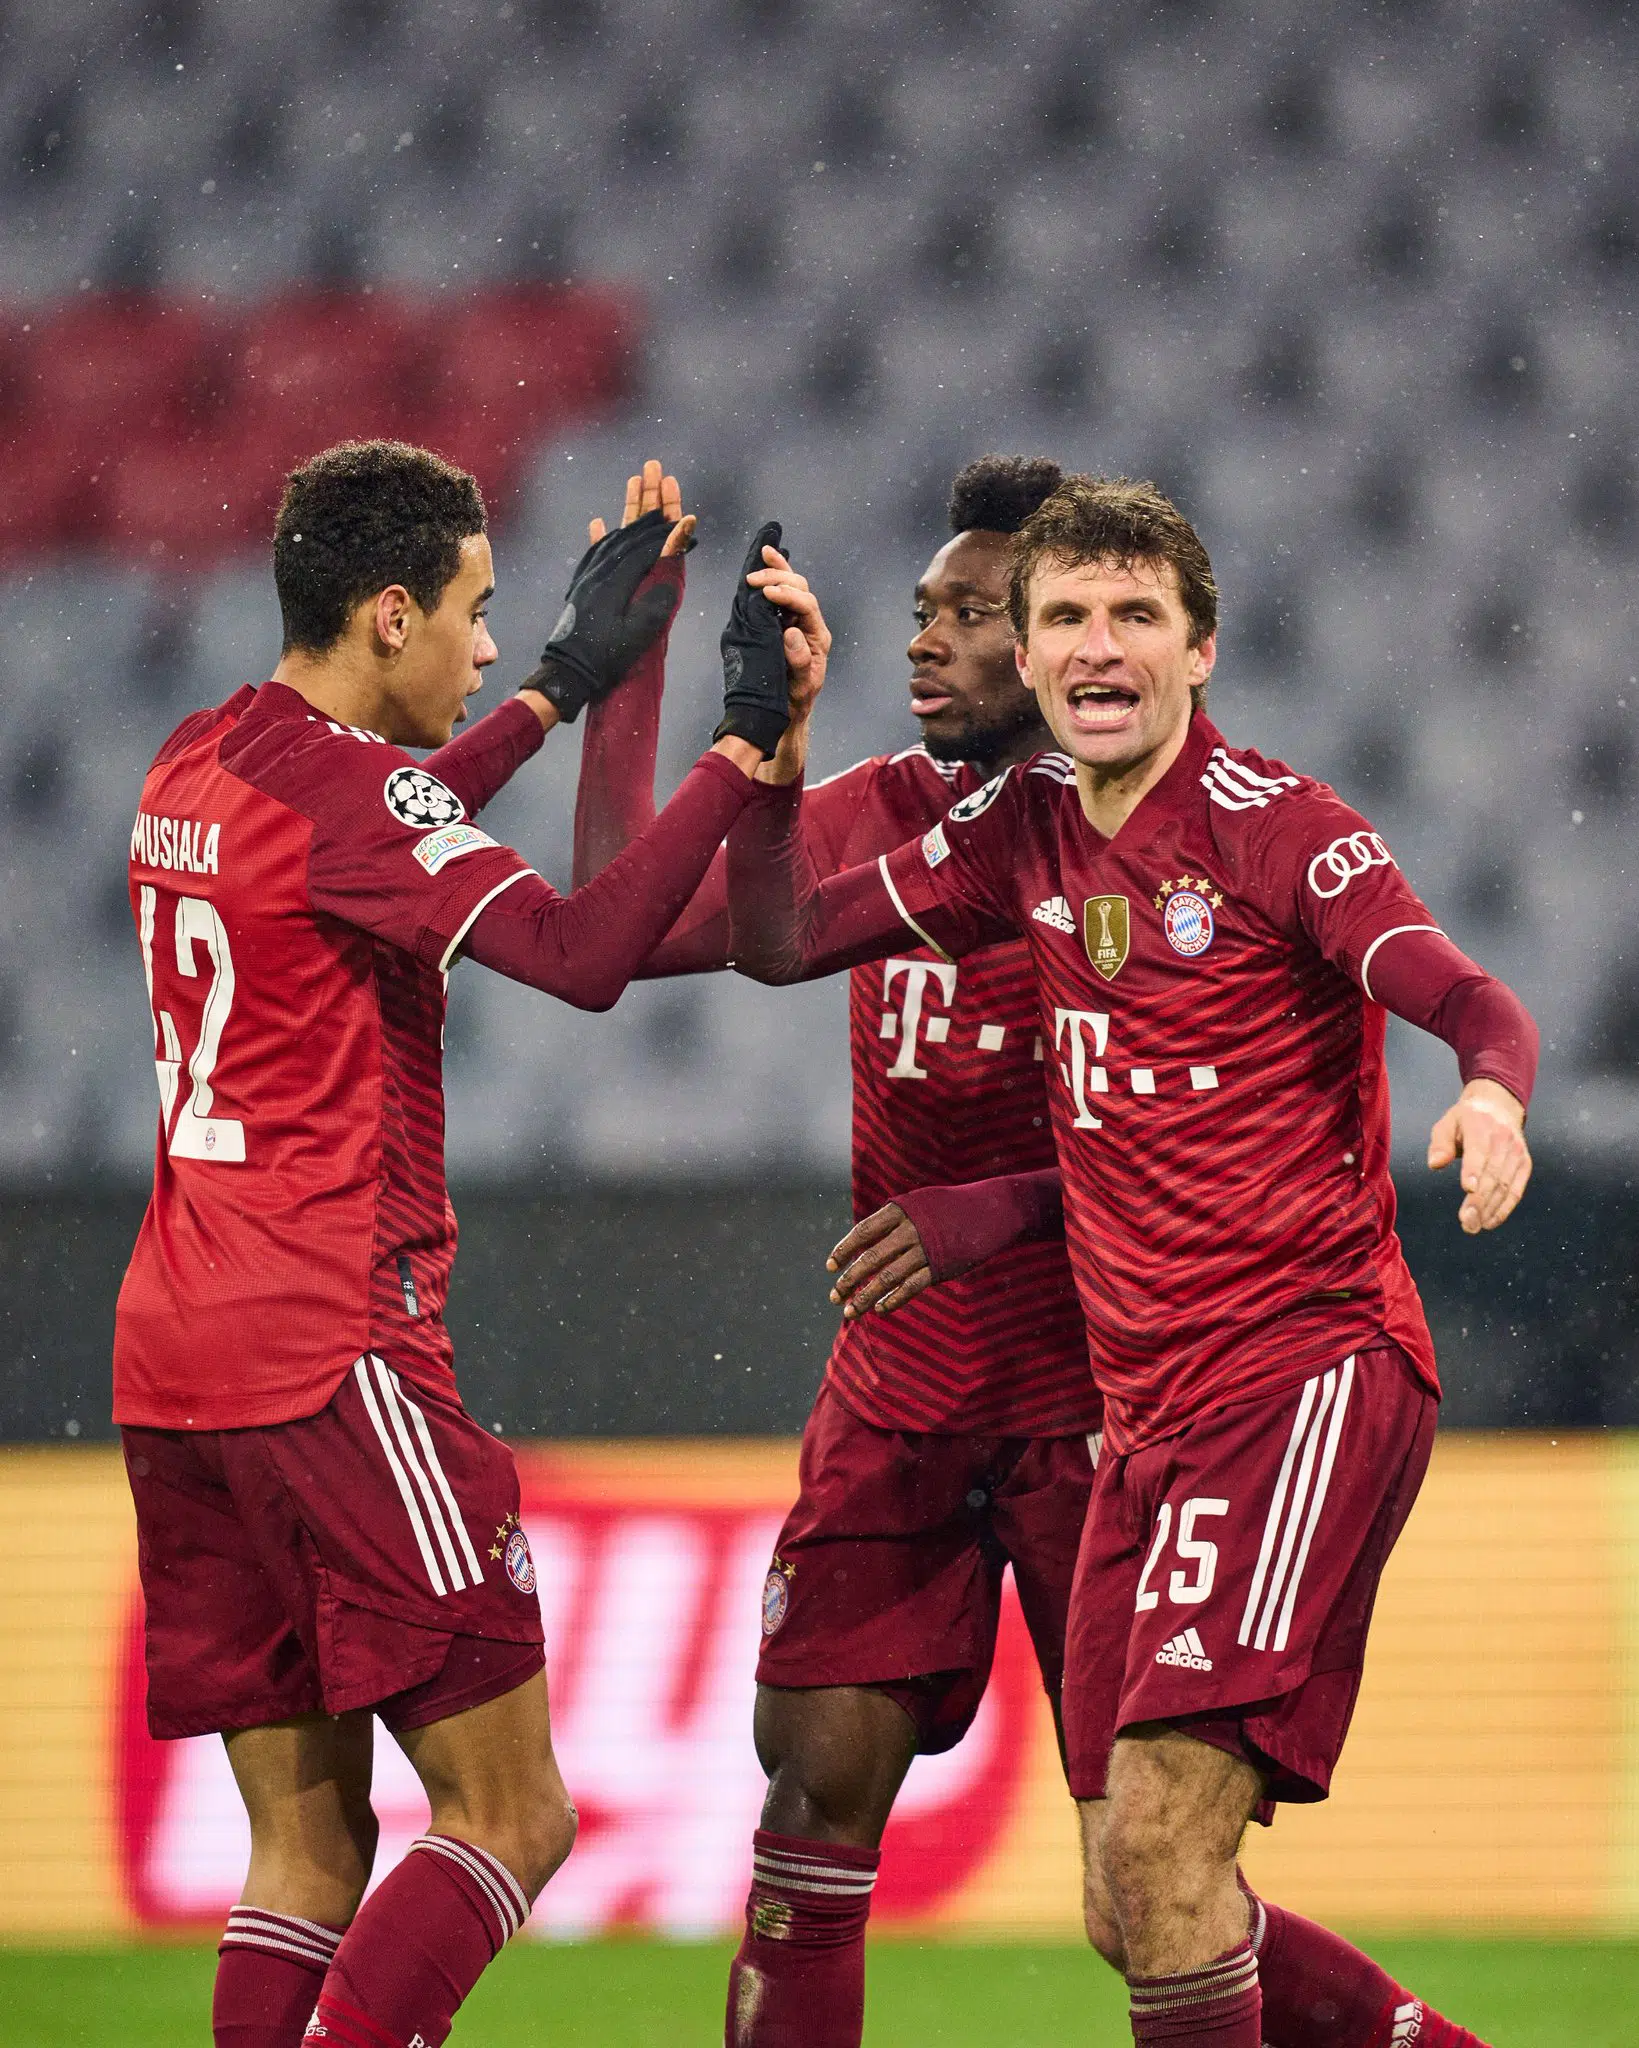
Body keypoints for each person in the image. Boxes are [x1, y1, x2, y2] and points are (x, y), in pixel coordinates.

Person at [723, 474, 1536, 2048]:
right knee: (1134, 1896)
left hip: (1299, 1374)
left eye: (1135, 617)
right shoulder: (1016, 829)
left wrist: (1491, 1094)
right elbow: (779, 941)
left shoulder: (1279, 831)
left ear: (1198, 649)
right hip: (1145, 1425)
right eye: (1067, 619)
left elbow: (1462, 993)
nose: (1099, 648)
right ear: (1029, 657)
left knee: (1161, 1846)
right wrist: (770, 755)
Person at [113, 438, 796, 2048]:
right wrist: (738, 747)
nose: (488, 646)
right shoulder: (353, 802)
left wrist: (562, 686)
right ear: (391, 614)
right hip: (330, 1347)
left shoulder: (201, 756)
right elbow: (577, 952)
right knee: (511, 1815)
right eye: (479, 616)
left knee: (306, 1848)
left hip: (175, 1360)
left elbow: (378, 820)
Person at [571, 456, 1103, 2048]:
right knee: (804, 1817)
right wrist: (639, 675)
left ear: (1063, 643)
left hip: (1099, 1402)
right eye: (923, 609)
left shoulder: (1139, 847)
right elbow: (610, 919)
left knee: (1151, 1879)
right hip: (898, 1401)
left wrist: (990, 1208)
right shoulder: (875, 809)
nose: (924, 638)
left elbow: (1205, 1147)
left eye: (971, 614)